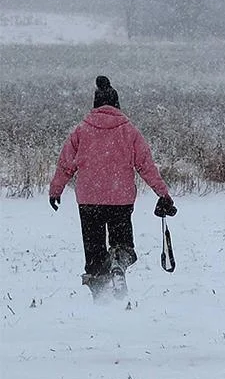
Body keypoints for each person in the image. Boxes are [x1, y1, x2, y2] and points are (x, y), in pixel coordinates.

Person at [49, 76, 176, 299]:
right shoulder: (129, 131)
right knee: (122, 242)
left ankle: (100, 297)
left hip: (89, 200)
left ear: (95, 104)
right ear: (117, 104)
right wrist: (162, 193)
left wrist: (56, 190)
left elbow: (65, 164)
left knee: (94, 250)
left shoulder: (81, 131)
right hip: (120, 199)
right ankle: (119, 259)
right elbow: (146, 166)